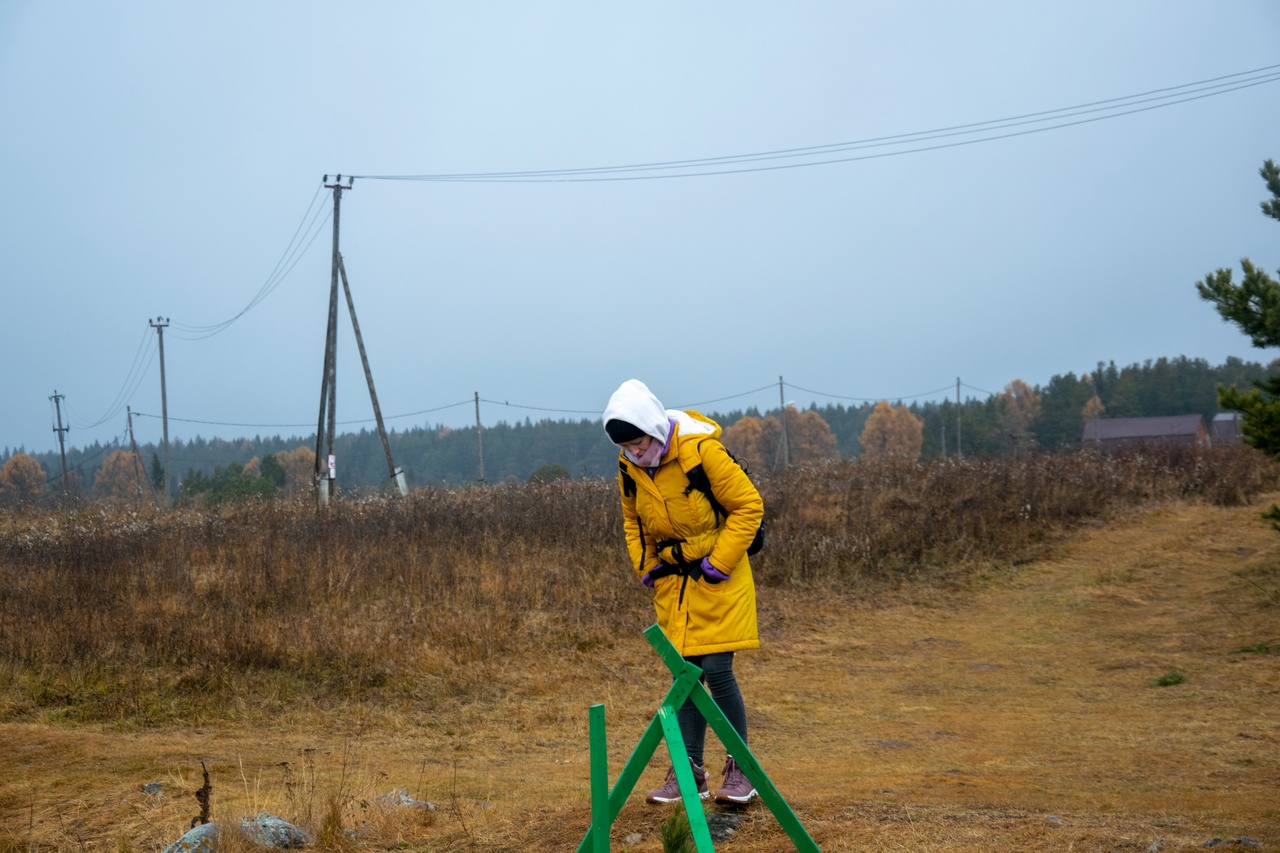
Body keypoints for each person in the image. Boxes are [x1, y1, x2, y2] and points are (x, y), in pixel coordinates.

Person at [602, 378, 765, 805]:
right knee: (685, 675)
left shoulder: (700, 450)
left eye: (639, 444)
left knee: (717, 668)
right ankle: (689, 772)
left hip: (719, 576)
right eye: (628, 449)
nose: (636, 454)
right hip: (673, 584)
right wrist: (646, 565)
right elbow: (633, 520)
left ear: (654, 427)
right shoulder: (629, 468)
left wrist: (718, 564)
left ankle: (741, 769)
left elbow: (749, 506)